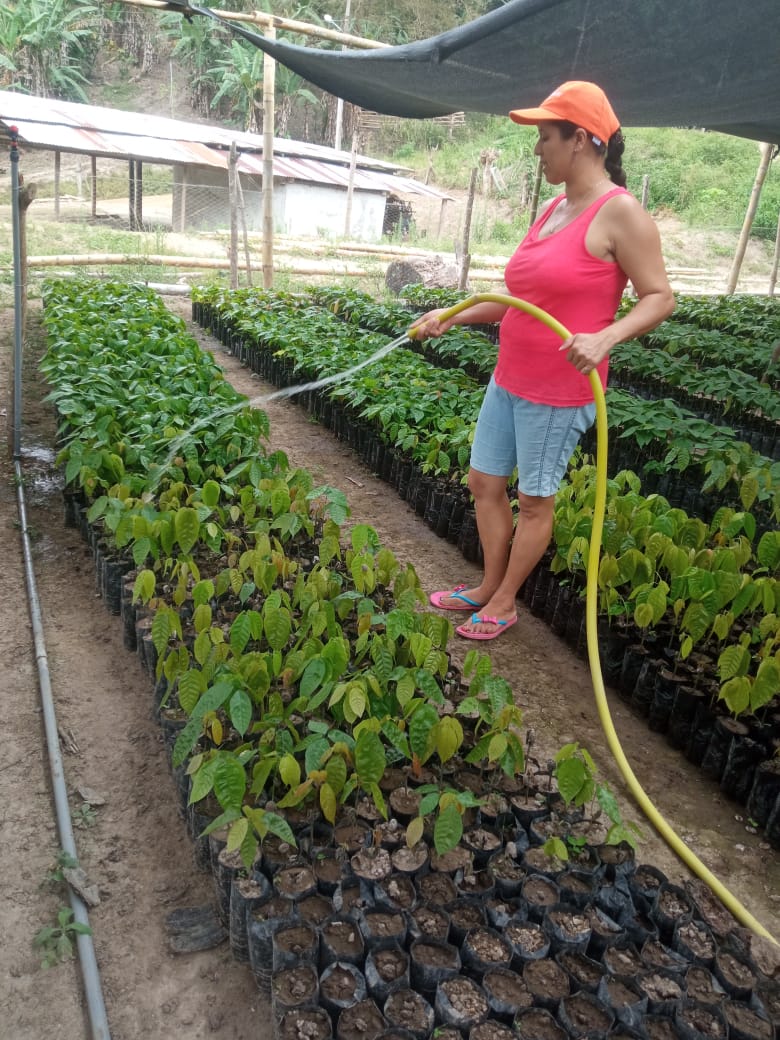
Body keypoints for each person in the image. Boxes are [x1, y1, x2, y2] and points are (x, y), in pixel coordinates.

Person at [410, 81, 675, 641]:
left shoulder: (620, 213)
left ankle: (505, 601)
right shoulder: (555, 207)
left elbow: (659, 297)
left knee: (534, 500)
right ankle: (488, 584)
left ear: (580, 139)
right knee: (484, 482)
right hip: (509, 376)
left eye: (545, 137)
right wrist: (453, 314)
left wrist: (605, 339)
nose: (537, 150)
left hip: (558, 390)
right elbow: (520, 299)